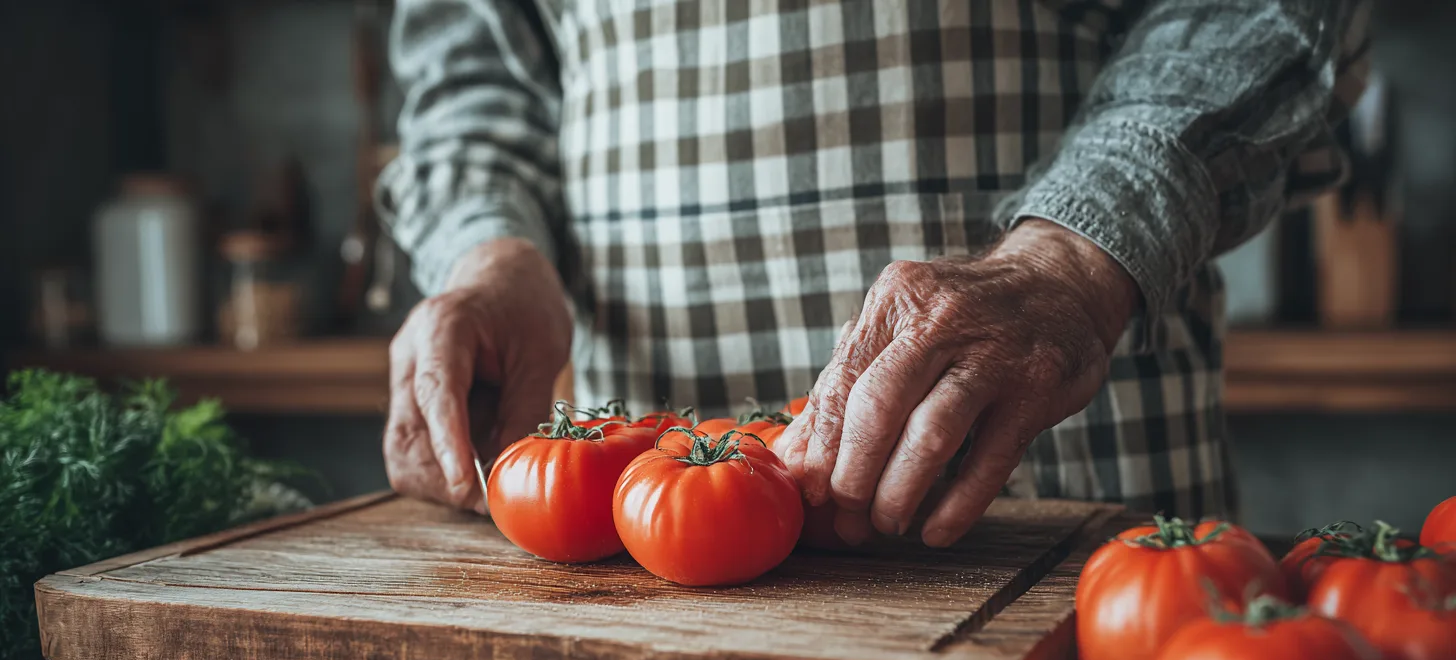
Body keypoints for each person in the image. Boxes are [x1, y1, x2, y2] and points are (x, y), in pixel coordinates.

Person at [378, 0, 1370, 547]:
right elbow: (474, 81)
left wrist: (1074, 251)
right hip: (626, 523)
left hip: (1067, 471)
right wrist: (490, 250)